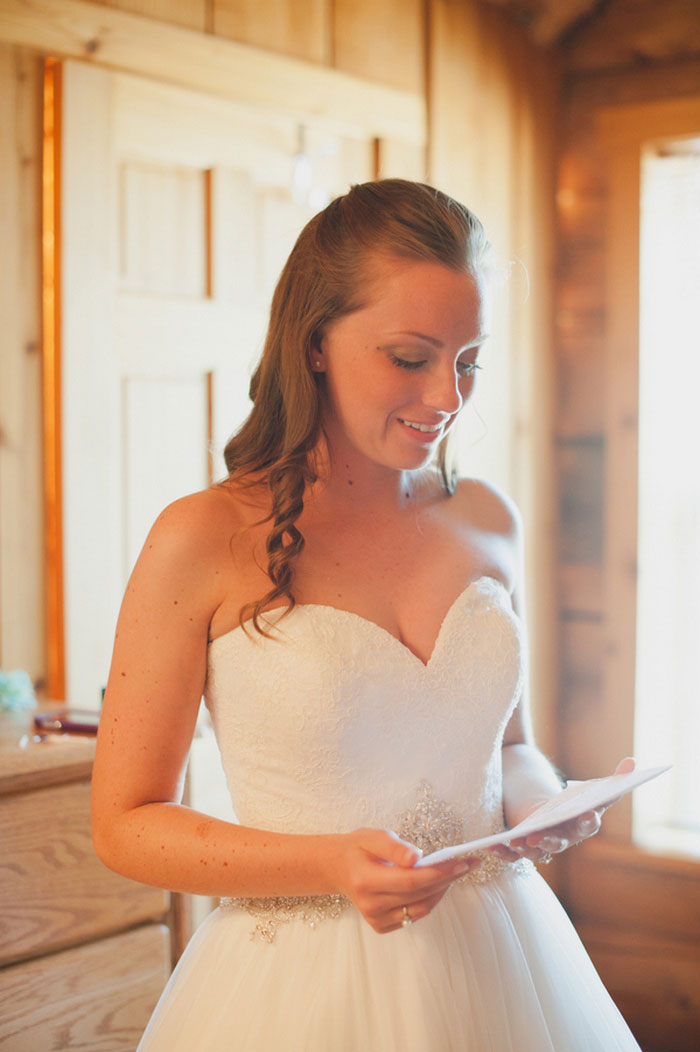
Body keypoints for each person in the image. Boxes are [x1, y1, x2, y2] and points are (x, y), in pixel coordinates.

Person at [91, 179, 641, 1051]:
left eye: (468, 360)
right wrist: (329, 863)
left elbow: (508, 745)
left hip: (501, 959)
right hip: (293, 987)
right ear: (314, 344)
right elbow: (125, 822)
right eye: (409, 357)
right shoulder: (200, 537)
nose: (447, 397)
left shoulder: (489, 518)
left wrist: (544, 806)